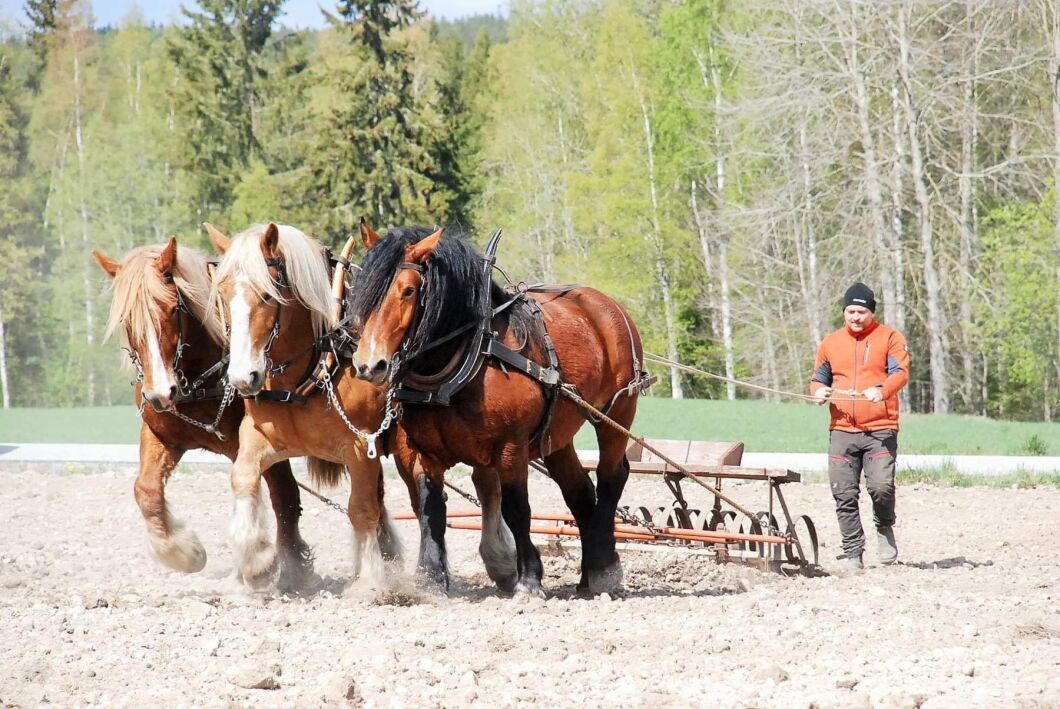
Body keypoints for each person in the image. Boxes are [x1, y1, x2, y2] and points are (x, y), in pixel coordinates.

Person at [809, 282, 910, 570]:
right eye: (851, 311)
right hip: (841, 428)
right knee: (843, 492)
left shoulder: (889, 338)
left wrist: (882, 390)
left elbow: (900, 373)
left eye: (861, 311)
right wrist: (818, 392)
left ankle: (884, 526)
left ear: (871, 312)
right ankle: (853, 552)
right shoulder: (830, 342)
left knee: (881, 487)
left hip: (880, 427)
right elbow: (819, 378)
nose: (856, 317)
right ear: (844, 311)